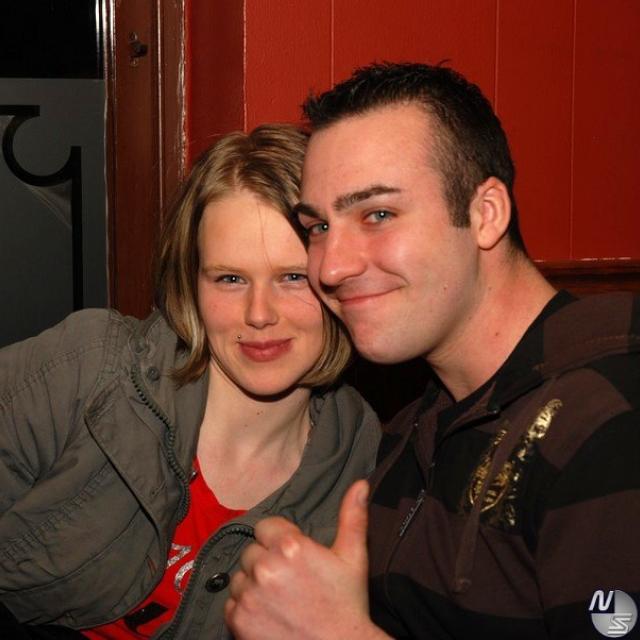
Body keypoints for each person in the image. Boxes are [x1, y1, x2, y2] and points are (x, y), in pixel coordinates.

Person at [225, 63, 640, 639]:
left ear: (484, 214)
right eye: (318, 227)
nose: (331, 266)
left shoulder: (609, 421)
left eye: (378, 215)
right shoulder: (413, 429)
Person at [0, 124, 380, 639]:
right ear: (191, 284)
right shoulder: (91, 370)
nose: (259, 314)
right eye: (230, 278)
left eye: (292, 277)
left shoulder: (368, 467)